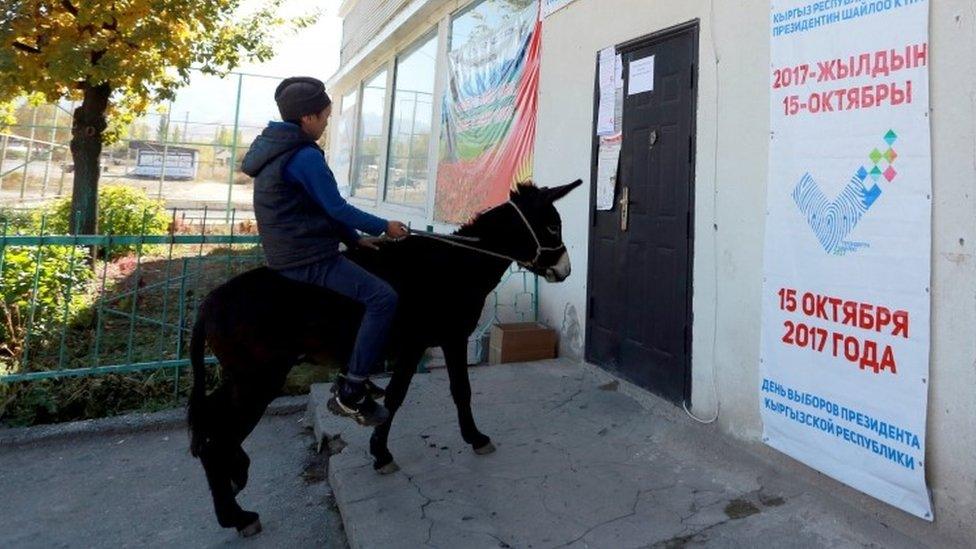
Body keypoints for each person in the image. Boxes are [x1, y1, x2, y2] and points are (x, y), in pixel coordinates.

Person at [241, 76, 409, 426]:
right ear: (307, 118)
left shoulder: (276, 147)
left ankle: (353, 365)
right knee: (383, 298)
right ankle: (352, 391)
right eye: (325, 118)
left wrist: (354, 239)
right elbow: (336, 207)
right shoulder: (303, 156)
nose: (327, 124)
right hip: (307, 258)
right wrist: (384, 226)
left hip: (289, 251)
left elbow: (317, 207)